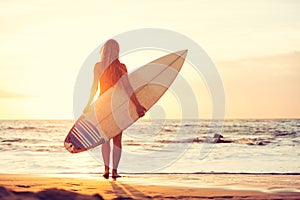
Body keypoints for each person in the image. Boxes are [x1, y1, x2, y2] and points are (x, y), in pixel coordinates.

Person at [83, 39, 146, 179]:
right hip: (117, 105)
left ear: (104, 51)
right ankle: (114, 171)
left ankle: (106, 170)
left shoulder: (98, 66)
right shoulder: (121, 66)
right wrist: (137, 105)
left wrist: (88, 104)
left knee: (105, 138)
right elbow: (127, 87)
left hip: (102, 104)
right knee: (117, 139)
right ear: (117, 51)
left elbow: (94, 87)